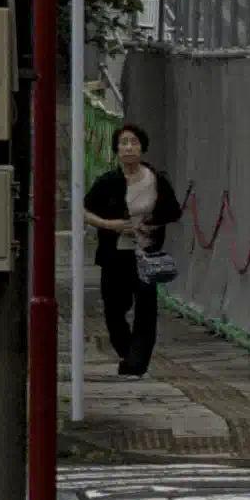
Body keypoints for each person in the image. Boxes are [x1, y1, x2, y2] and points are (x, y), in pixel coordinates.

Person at [82, 121, 178, 379]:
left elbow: (173, 211)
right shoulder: (108, 181)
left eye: (133, 142)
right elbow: (85, 210)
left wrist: (152, 224)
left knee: (146, 308)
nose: (128, 148)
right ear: (116, 150)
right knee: (114, 309)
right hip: (115, 255)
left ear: (142, 147)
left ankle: (137, 362)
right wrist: (108, 224)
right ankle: (127, 351)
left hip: (147, 254)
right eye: (123, 143)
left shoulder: (156, 180)